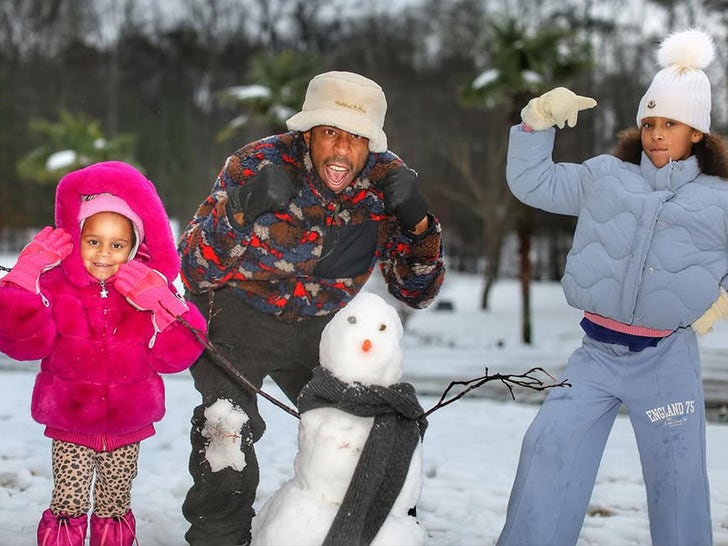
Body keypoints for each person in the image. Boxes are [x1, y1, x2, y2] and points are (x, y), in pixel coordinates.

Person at [178, 70, 445, 545]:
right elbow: (194, 269)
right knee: (226, 425)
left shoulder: (386, 182)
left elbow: (415, 293)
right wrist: (243, 206)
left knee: (374, 423)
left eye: (357, 138)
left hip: (322, 327)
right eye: (330, 133)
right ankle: (219, 537)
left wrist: (420, 225)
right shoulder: (255, 162)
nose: (342, 150)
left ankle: (377, 531)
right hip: (238, 314)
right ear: (308, 133)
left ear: (373, 144)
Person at [495, 28, 728, 546]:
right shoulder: (605, 177)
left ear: (698, 133)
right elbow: (533, 183)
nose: (657, 134)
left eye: (671, 123)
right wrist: (535, 124)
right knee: (547, 448)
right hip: (595, 357)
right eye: (649, 122)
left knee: (677, 480)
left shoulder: (719, 200)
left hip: (666, 360)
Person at [0, 161, 208, 546]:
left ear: (134, 247)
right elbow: (26, 344)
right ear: (77, 238)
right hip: (71, 420)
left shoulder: (145, 291)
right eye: (93, 240)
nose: (103, 254)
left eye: (117, 244)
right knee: (69, 502)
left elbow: (175, 357)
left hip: (128, 423)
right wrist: (23, 280)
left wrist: (163, 306)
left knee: (114, 504)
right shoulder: (57, 287)